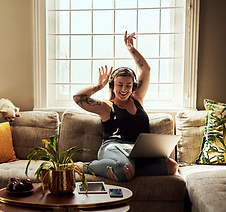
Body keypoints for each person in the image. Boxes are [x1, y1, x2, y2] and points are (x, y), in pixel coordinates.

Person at [73, 31, 178, 182]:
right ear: (112, 85)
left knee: (172, 166)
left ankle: (129, 170)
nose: (124, 89)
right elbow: (78, 98)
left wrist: (131, 49)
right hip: (113, 147)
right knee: (123, 169)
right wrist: (98, 86)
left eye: (128, 85)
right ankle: (84, 167)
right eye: (119, 85)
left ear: (133, 86)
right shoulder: (106, 106)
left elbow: (146, 70)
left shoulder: (137, 98)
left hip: (137, 151)